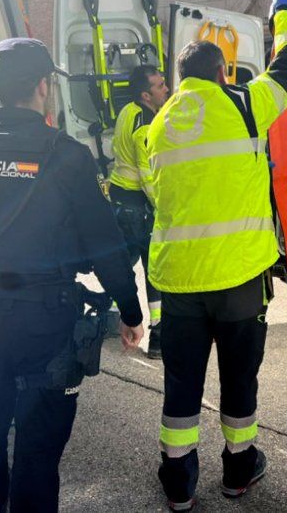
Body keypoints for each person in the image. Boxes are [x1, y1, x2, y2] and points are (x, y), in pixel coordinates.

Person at [0, 38, 144, 512]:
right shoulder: (65, 154)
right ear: (43, 86)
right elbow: (105, 245)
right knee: (39, 450)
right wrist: (130, 310)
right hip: (47, 320)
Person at [145, 0, 287, 511]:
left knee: (182, 384)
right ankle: (238, 470)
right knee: (238, 381)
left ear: (179, 78)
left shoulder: (159, 123)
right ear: (221, 73)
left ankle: (178, 482)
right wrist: (284, 16)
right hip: (238, 280)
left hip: (178, 282)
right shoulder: (242, 103)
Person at [108, 64, 169, 358]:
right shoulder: (145, 125)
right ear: (146, 94)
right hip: (138, 208)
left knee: (120, 264)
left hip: (119, 200)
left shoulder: (127, 111)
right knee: (153, 270)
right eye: (160, 86)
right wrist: (165, 207)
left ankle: (108, 313)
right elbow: (148, 177)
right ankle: (158, 335)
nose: (166, 88)